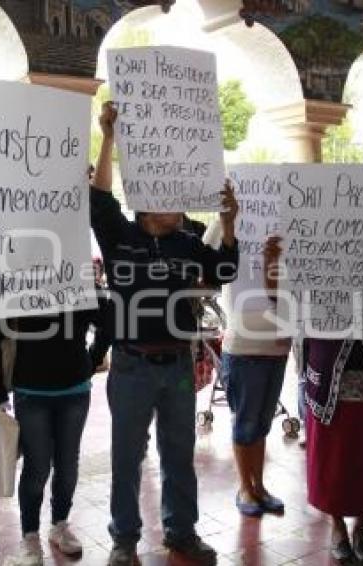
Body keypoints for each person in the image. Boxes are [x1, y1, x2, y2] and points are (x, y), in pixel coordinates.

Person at [92, 102, 240, 566]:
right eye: (170, 195)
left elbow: (227, 268)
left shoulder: (189, 240)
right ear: (146, 202)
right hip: (132, 364)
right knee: (126, 459)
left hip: (177, 365)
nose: (180, 202)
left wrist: (229, 224)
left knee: (179, 455)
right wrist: (109, 137)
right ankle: (124, 540)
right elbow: (98, 200)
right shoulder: (120, 237)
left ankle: (181, 533)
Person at [264, 235, 363, 563]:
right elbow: (283, 301)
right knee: (334, 461)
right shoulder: (317, 250)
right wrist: (273, 263)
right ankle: (338, 526)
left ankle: (362, 526)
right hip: (331, 379)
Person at [0, 296, 111, 565]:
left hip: (73, 389)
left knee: (67, 464)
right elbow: (0, 331)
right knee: (36, 467)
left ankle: (59, 523)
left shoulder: (78, 282)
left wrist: (92, 358)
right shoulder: (19, 283)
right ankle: (30, 535)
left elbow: (109, 320)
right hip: (31, 389)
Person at [202, 220, 291, 517]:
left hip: (278, 348)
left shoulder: (290, 226)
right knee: (245, 422)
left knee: (263, 423)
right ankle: (245, 487)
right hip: (243, 348)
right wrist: (225, 218)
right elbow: (204, 257)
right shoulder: (226, 226)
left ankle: (259, 486)